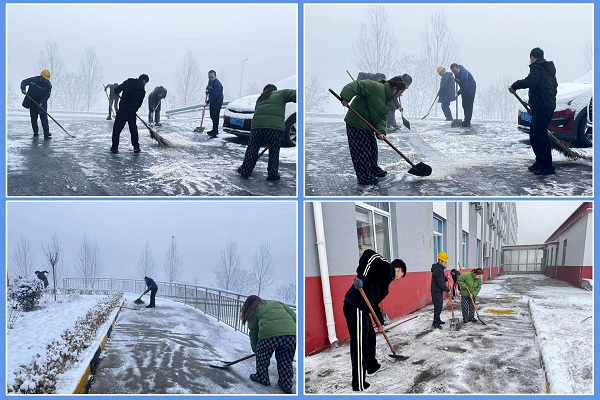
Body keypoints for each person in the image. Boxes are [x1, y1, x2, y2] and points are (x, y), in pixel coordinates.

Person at [343, 249, 407, 391]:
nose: (399, 279)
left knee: (370, 337)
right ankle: (358, 383)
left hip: (364, 308)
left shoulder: (385, 283)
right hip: (356, 305)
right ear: (399, 270)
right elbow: (370, 254)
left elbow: (374, 303)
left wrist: (380, 323)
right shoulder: (386, 267)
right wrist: (362, 276)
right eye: (401, 276)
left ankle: (371, 366)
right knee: (359, 344)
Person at [338, 76, 407, 185]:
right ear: (394, 89)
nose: (400, 95)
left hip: (368, 125)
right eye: (400, 92)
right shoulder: (375, 87)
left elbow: (382, 117)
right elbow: (357, 85)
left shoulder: (388, 99)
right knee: (361, 151)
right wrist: (345, 97)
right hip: (356, 123)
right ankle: (364, 176)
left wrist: (381, 131)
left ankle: (373, 169)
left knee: (372, 149)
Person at [509, 47, 558, 176]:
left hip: (542, 107)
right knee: (535, 135)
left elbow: (531, 80)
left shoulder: (537, 67)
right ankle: (540, 162)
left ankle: (547, 166)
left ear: (532, 57)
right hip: (545, 106)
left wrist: (515, 85)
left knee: (540, 136)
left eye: (530, 59)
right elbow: (554, 87)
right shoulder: (548, 70)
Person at [237, 84, 296, 181]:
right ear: (274, 90)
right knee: (274, 152)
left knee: (252, 149)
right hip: (274, 128)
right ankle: (272, 175)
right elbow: (296, 94)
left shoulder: (260, 98)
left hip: (257, 127)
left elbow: (257, 111)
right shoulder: (281, 93)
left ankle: (245, 170)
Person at [241, 295, 296, 394]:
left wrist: (257, 350)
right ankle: (286, 385)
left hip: (269, 336)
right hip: (290, 335)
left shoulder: (253, 310)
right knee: (286, 361)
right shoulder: (278, 303)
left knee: (263, 358)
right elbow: (295, 317)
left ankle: (262, 378)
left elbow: (253, 332)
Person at [110, 74, 149, 154]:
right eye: (146, 83)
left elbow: (116, 90)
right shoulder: (142, 90)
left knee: (117, 130)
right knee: (133, 130)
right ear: (144, 81)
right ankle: (136, 147)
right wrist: (135, 108)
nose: (145, 84)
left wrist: (122, 96)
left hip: (122, 110)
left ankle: (114, 147)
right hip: (132, 112)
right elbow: (139, 104)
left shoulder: (129, 82)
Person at [21, 70, 53, 138]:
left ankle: (46, 132)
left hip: (42, 102)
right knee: (33, 118)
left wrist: (41, 103)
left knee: (44, 118)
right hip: (32, 102)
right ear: (41, 77)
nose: (46, 81)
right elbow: (24, 82)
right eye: (45, 79)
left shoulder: (48, 86)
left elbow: (47, 95)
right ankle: (35, 131)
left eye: (47, 80)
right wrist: (23, 89)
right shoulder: (33, 80)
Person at [450, 63, 476, 127]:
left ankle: (467, 122)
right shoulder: (457, 72)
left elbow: (465, 87)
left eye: (456, 71)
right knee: (464, 105)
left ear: (458, 68)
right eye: (453, 72)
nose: (455, 73)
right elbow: (458, 80)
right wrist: (454, 79)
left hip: (470, 89)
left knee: (468, 106)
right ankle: (466, 120)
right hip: (464, 89)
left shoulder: (463, 75)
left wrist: (457, 94)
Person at [430, 251, 451, 329]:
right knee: (438, 307)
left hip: (437, 290)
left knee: (439, 306)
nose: (445, 263)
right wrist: (448, 290)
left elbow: (440, 280)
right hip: (436, 291)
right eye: (444, 262)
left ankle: (438, 320)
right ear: (440, 261)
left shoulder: (439, 269)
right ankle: (435, 323)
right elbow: (440, 283)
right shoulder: (438, 270)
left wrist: (445, 278)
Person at [205, 70, 224, 137]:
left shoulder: (217, 84)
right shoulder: (210, 82)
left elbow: (215, 96)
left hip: (217, 101)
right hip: (213, 101)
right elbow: (208, 87)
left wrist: (207, 102)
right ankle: (214, 130)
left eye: (212, 77)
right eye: (209, 77)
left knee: (215, 116)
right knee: (212, 115)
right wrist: (207, 90)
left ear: (215, 76)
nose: (210, 78)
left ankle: (215, 131)